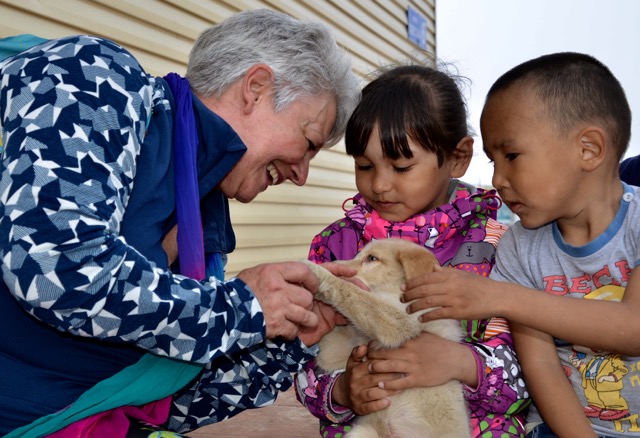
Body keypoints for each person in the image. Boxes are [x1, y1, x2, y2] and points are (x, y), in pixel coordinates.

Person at [0, 9, 361, 437]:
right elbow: (55, 266)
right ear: (256, 88)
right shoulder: (95, 78)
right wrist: (243, 308)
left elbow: (167, 404)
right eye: (308, 143)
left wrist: (290, 341)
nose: (301, 174)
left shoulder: (203, 230)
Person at [403, 52, 640, 437]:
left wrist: (500, 296)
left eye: (511, 155)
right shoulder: (518, 247)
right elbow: (541, 366)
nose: (498, 178)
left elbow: (633, 328)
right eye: (493, 161)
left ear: (589, 149)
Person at [294, 64, 530, 438]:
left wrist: (462, 363)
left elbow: (533, 375)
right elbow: (302, 359)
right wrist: (341, 391)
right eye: (364, 165)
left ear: (457, 157)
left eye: (402, 167)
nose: (380, 184)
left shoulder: (500, 245)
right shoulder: (337, 246)